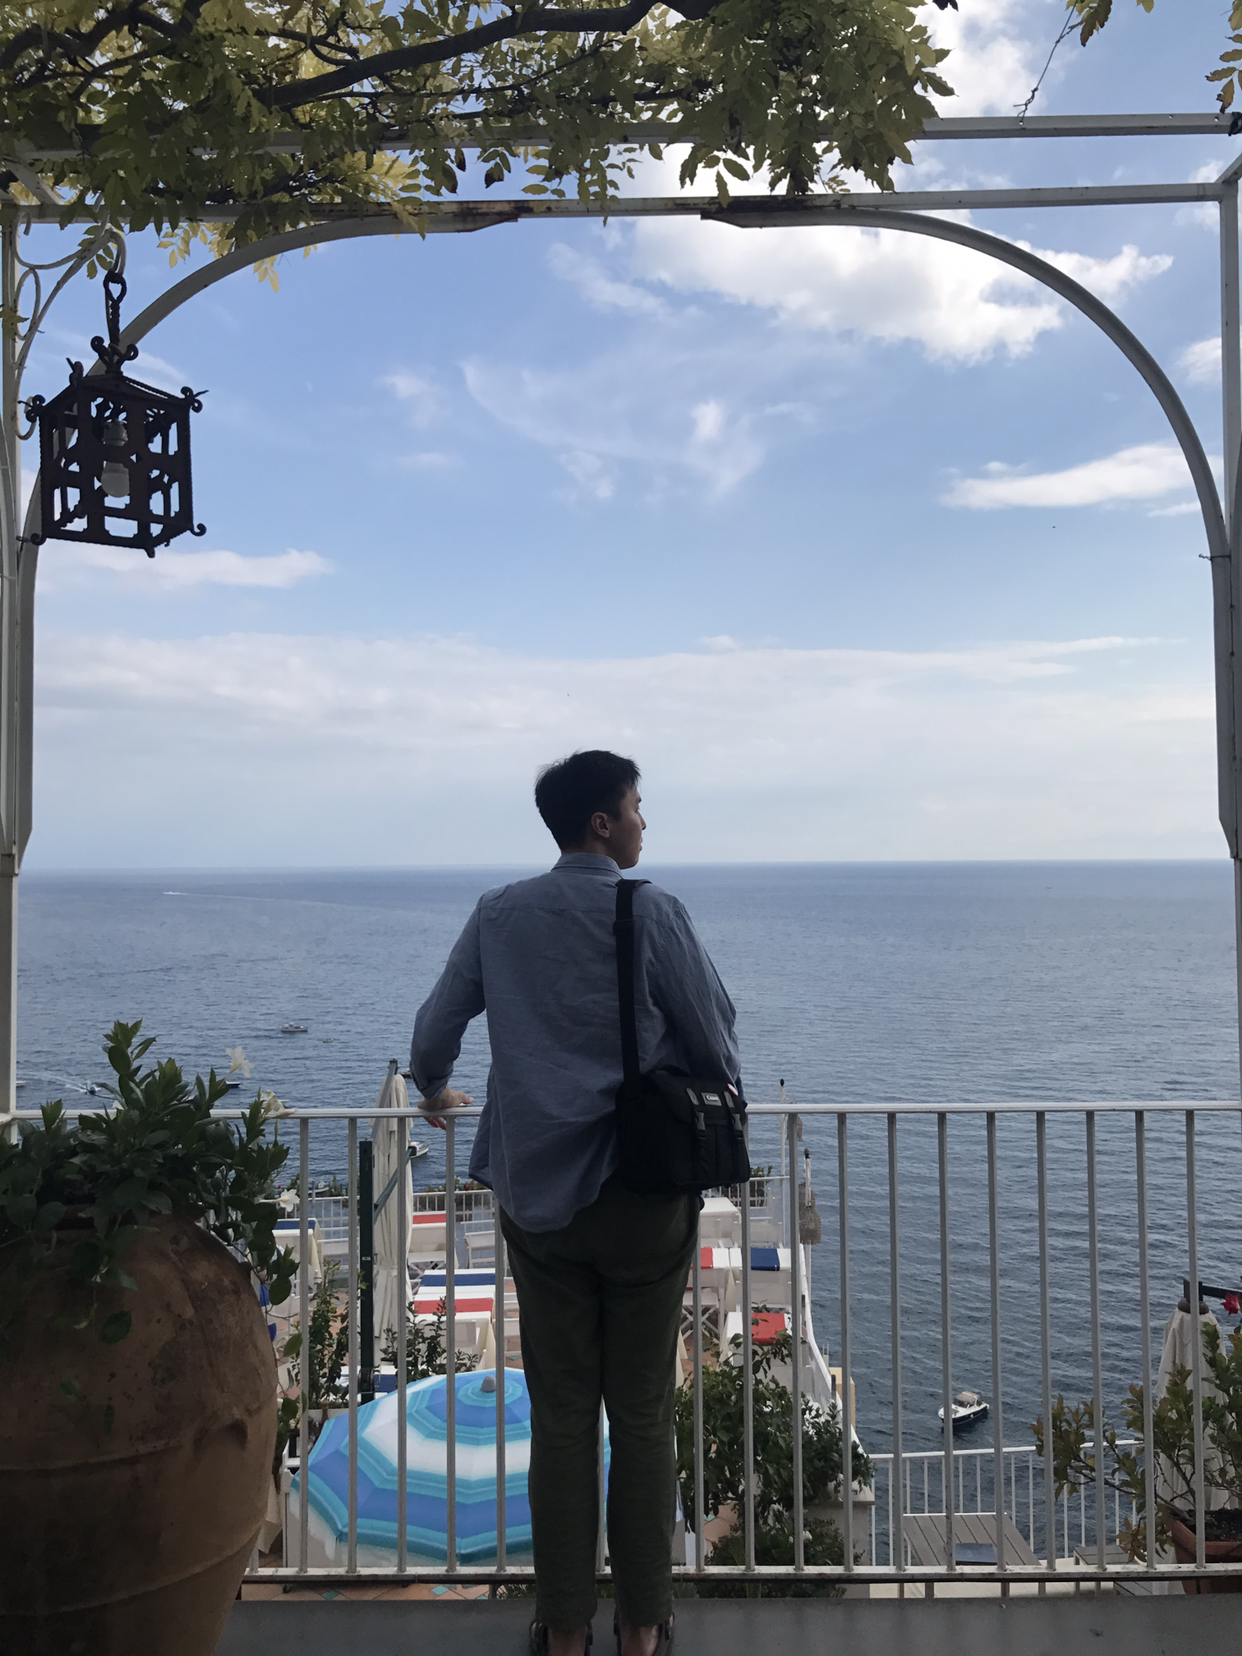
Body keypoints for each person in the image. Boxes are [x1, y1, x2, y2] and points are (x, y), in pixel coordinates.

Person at [409, 750, 740, 1656]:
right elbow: (716, 1039)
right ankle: (641, 1628)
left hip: (539, 1198)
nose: (643, 822)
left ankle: (562, 1632)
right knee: (641, 1415)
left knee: (560, 1420)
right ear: (602, 822)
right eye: (635, 807)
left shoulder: (498, 913)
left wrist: (433, 1090)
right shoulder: (653, 912)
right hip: (640, 1196)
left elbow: (435, 1031)